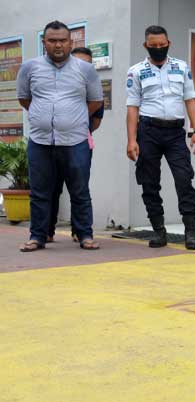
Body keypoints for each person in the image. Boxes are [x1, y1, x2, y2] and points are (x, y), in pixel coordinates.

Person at [16, 20, 103, 252]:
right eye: (52, 40)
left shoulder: (86, 69)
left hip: (75, 141)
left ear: (70, 42)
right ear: (44, 42)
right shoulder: (29, 67)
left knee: (80, 190)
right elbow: (25, 99)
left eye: (63, 40)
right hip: (40, 141)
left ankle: (85, 235)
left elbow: (96, 101)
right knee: (40, 191)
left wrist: (74, 118)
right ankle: (38, 236)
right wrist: (42, 115)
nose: (58, 45)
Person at [126, 25, 195, 250]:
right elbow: (132, 108)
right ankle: (159, 231)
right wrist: (131, 140)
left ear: (168, 44)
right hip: (148, 131)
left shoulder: (181, 67)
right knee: (149, 183)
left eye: (162, 45)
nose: (158, 49)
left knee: (184, 180)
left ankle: (190, 231)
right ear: (145, 46)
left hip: (175, 133)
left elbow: (190, 100)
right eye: (153, 46)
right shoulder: (136, 71)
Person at [48, 46, 105, 243]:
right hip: (52, 144)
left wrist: (79, 128)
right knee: (51, 187)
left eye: (87, 64)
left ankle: (80, 231)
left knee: (79, 188)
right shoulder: (58, 87)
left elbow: (96, 120)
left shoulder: (93, 90)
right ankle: (47, 231)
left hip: (80, 144)